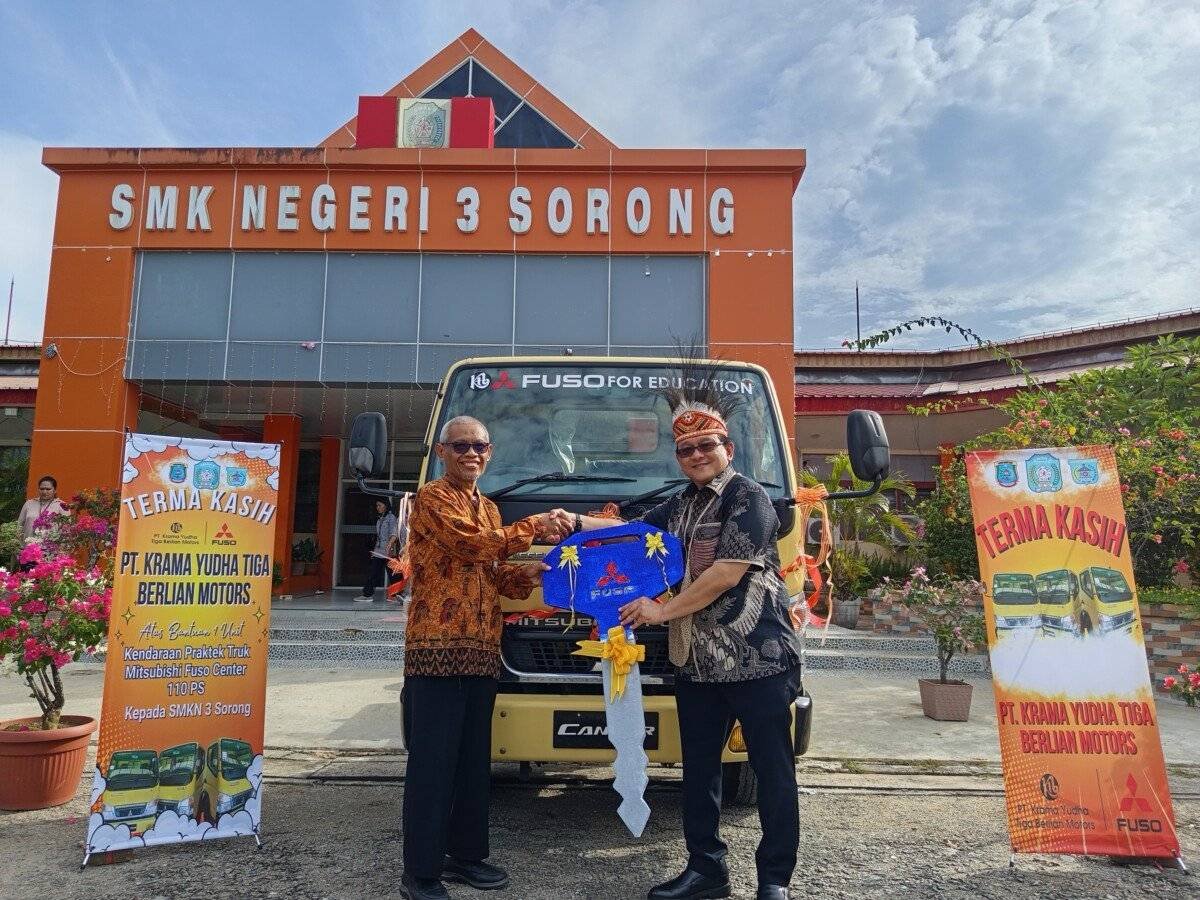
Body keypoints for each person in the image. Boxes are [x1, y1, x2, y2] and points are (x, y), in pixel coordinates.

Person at [552, 397, 803, 900]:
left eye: (706, 445)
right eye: (686, 449)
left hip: (758, 659)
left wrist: (661, 611)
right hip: (696, 663)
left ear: (728, 448)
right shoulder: (683, 503)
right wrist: (573, 523)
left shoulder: (749, 497)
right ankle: (706, 871)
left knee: (772, 771)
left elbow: (726, 573)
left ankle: (774, 878)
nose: (696, 455)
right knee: (700, 773)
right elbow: (634, 532)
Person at [399, 415, 564, 900]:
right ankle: (420, 873)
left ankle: (466, 855)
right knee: (433, 765)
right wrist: (534, 526)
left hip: (482, 651)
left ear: (489, 453)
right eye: (461, 446)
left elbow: (492, 572)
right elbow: (469, 546)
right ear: (442, 453)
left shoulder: (490, 508)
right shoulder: (432, 498)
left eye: (480, 446)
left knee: (473, 762)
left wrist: (531, 574)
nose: (471, 453)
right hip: (436, 652)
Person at [358, 497, 398, 602]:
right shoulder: (380, 519)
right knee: (373, 572)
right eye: (377, 506)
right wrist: (375, 551)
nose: (377, 507)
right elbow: (379, 537)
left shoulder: (391, 518)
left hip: (388, 550)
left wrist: (390, 544)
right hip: (379, 550)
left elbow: (394, 533)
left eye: (380, 505)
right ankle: (367, 595)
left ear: (386, 506)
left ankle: (397, 595)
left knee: (393, 574)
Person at [18, 475, 68, 544]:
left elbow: (67, 530)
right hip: (28, 547)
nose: (44, 492)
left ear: (55, 490)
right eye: (42, 489)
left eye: (48, 489)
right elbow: (19, 525)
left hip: (51, 548)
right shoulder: (29, 504)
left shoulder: (62, 506)